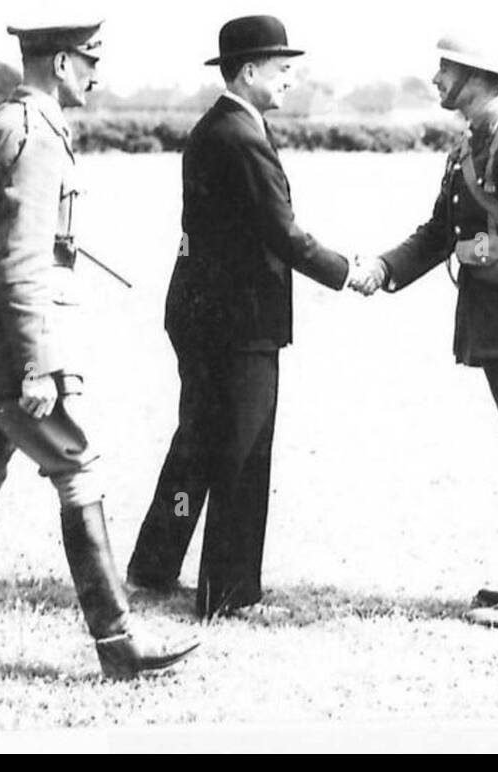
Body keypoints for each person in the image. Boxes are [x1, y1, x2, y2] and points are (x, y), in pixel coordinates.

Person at [0, 21, 198, 679]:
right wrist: (35, 364)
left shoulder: (4, 123)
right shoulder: (36, 137)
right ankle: (119, 649)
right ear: (59, 61)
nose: (96, 73)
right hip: (18, 341)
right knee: (77, 469)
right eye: (89, 60)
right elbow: (21, 258)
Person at [125, 15, 365, 619]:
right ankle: (228, 591)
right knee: (242, 449)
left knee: (199, 443)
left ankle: (154, 562)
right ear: (250, 70)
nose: (291, 79)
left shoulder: (223, 126)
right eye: (283, 69)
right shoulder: (238, 135)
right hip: (236, 322)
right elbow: (281, 231)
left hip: (205, 313)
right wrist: (348, 271)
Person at [350, 35, 498, 627]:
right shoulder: (472, 143)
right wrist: (383, 268)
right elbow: (439, 232)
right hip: (497, 320)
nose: (435, 79)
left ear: (475, 74)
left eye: (445, 68)